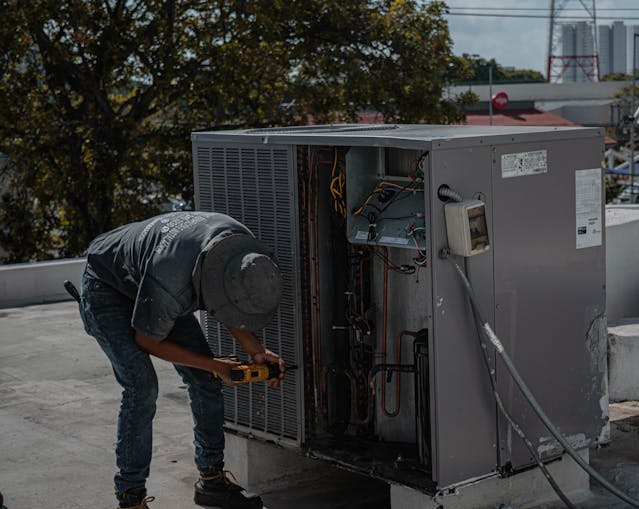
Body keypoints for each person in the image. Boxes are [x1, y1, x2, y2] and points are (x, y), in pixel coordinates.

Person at [78, 211, 285, 509]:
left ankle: (211, 482)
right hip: (107, 287)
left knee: (205, 382)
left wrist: (256, 351)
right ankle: (130, 496)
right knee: (142, 387)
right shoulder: (171, 283)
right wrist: (216, 366)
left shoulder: (239, 247)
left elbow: (227, 301)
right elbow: (148, 341)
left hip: (153, 277)